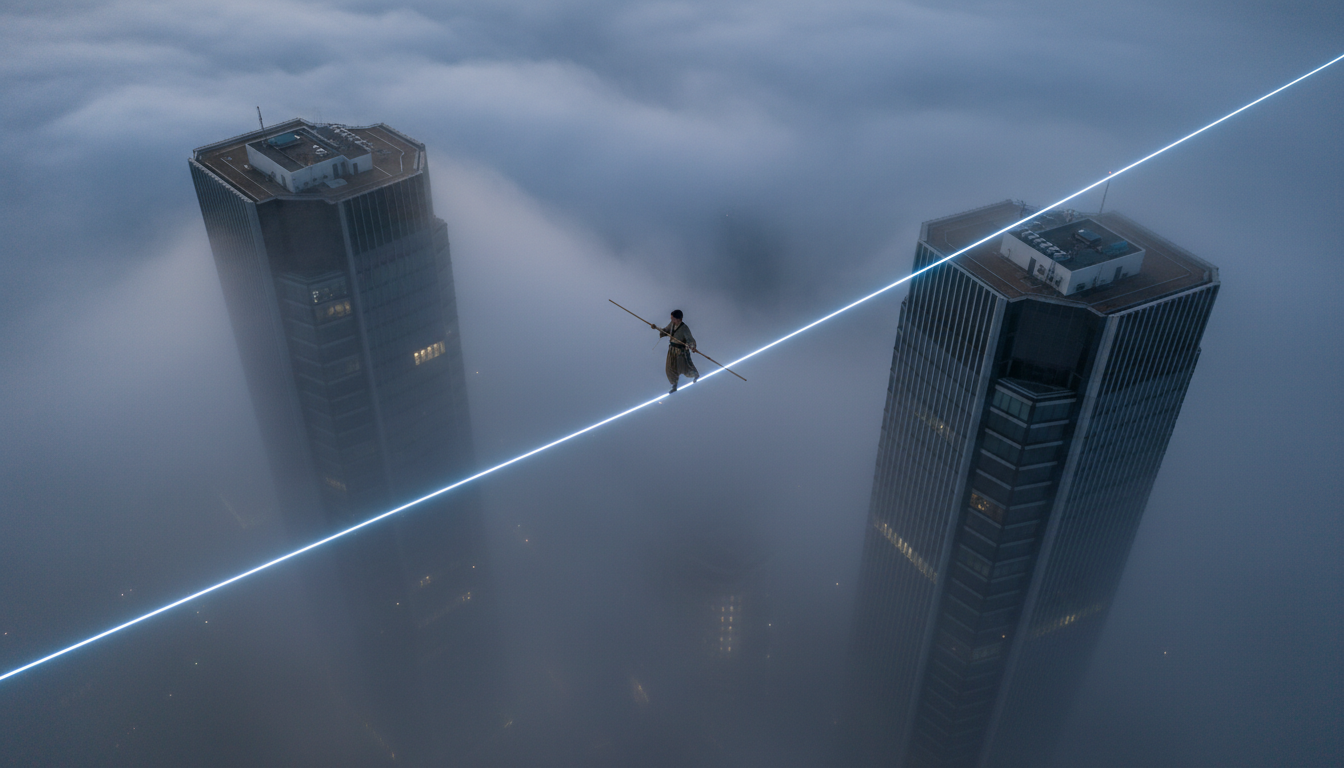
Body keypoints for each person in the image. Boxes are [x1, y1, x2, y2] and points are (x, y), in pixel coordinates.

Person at [653, 309, 699, 393]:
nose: (671, 320)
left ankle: (695, 375)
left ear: (679, 319)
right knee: (670, 368)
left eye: (673, 318)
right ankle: (674, 385)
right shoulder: (672, 324)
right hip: (672, 350)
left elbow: (690, 339)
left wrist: (692, 347)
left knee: (683, 367)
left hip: (680, 352)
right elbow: (665, 330)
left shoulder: (684, 328)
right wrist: (656, 328)